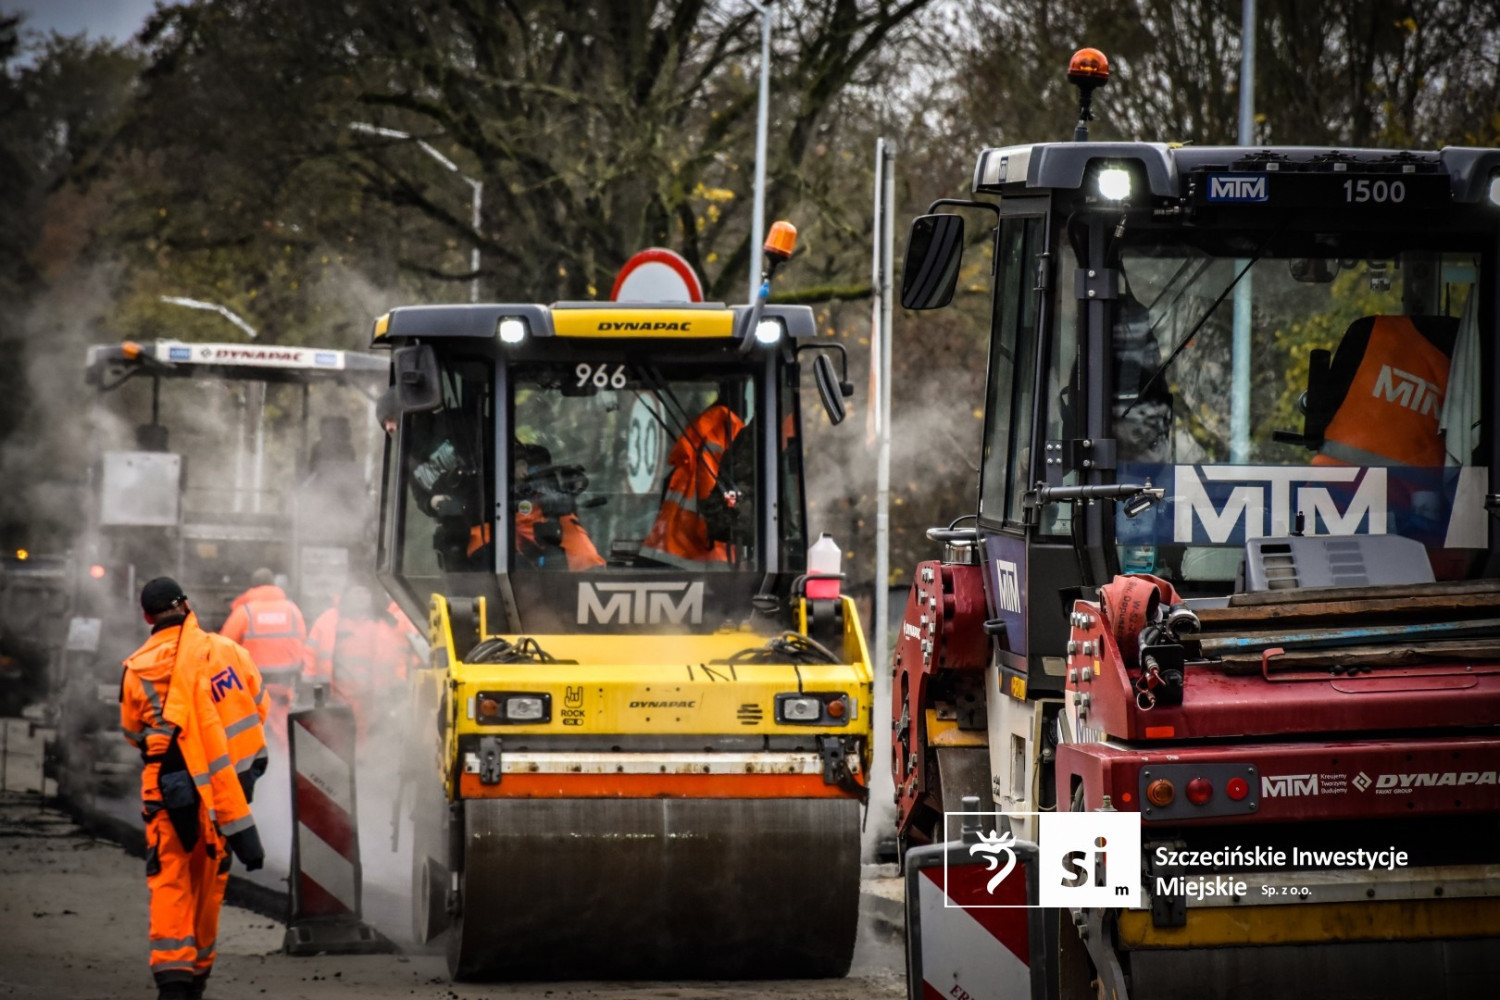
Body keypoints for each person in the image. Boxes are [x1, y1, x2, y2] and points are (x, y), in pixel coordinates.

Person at [120, 578, 267, 1000]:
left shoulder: (137, 667)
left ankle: (173, 979)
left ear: (147, 616)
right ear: (186, 604)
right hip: (222, 791)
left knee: (170, 880)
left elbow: (133, 732)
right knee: (209, 884)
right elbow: (257, 707)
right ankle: (198, 974)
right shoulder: (230, 653)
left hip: (168, 792)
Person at [304, 583, 419, 739]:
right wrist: (308, 685)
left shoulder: (383, 624)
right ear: (346, 596)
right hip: (335, 696)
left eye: (365, 592)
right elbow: (311, 653)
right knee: (338, 736)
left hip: (372, 698)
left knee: (367, 736)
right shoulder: (327, 621)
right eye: (356, 592)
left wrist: (399, 683)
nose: (361, 597)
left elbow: (399, 656)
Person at [639, 402, 746, 566]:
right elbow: (710, 524)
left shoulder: (698, 447)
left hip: (671, 555)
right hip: (705, 563)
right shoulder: (726, 444)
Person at [219, 567, 306, 748]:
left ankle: (257, 762)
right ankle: (284, 762)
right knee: (282, 728)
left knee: (251, 728)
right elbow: (302, 641)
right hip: (284, 683)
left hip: (253, 685)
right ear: (274, 585)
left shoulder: (245, 612)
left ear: (253, 587)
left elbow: (223, 647)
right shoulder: (293, 610)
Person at [513, 442, 606, 570]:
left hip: (582, 570)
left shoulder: (550, 502)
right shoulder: (512, 504)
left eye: (524, 465)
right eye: (520, 465)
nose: (525, 471)